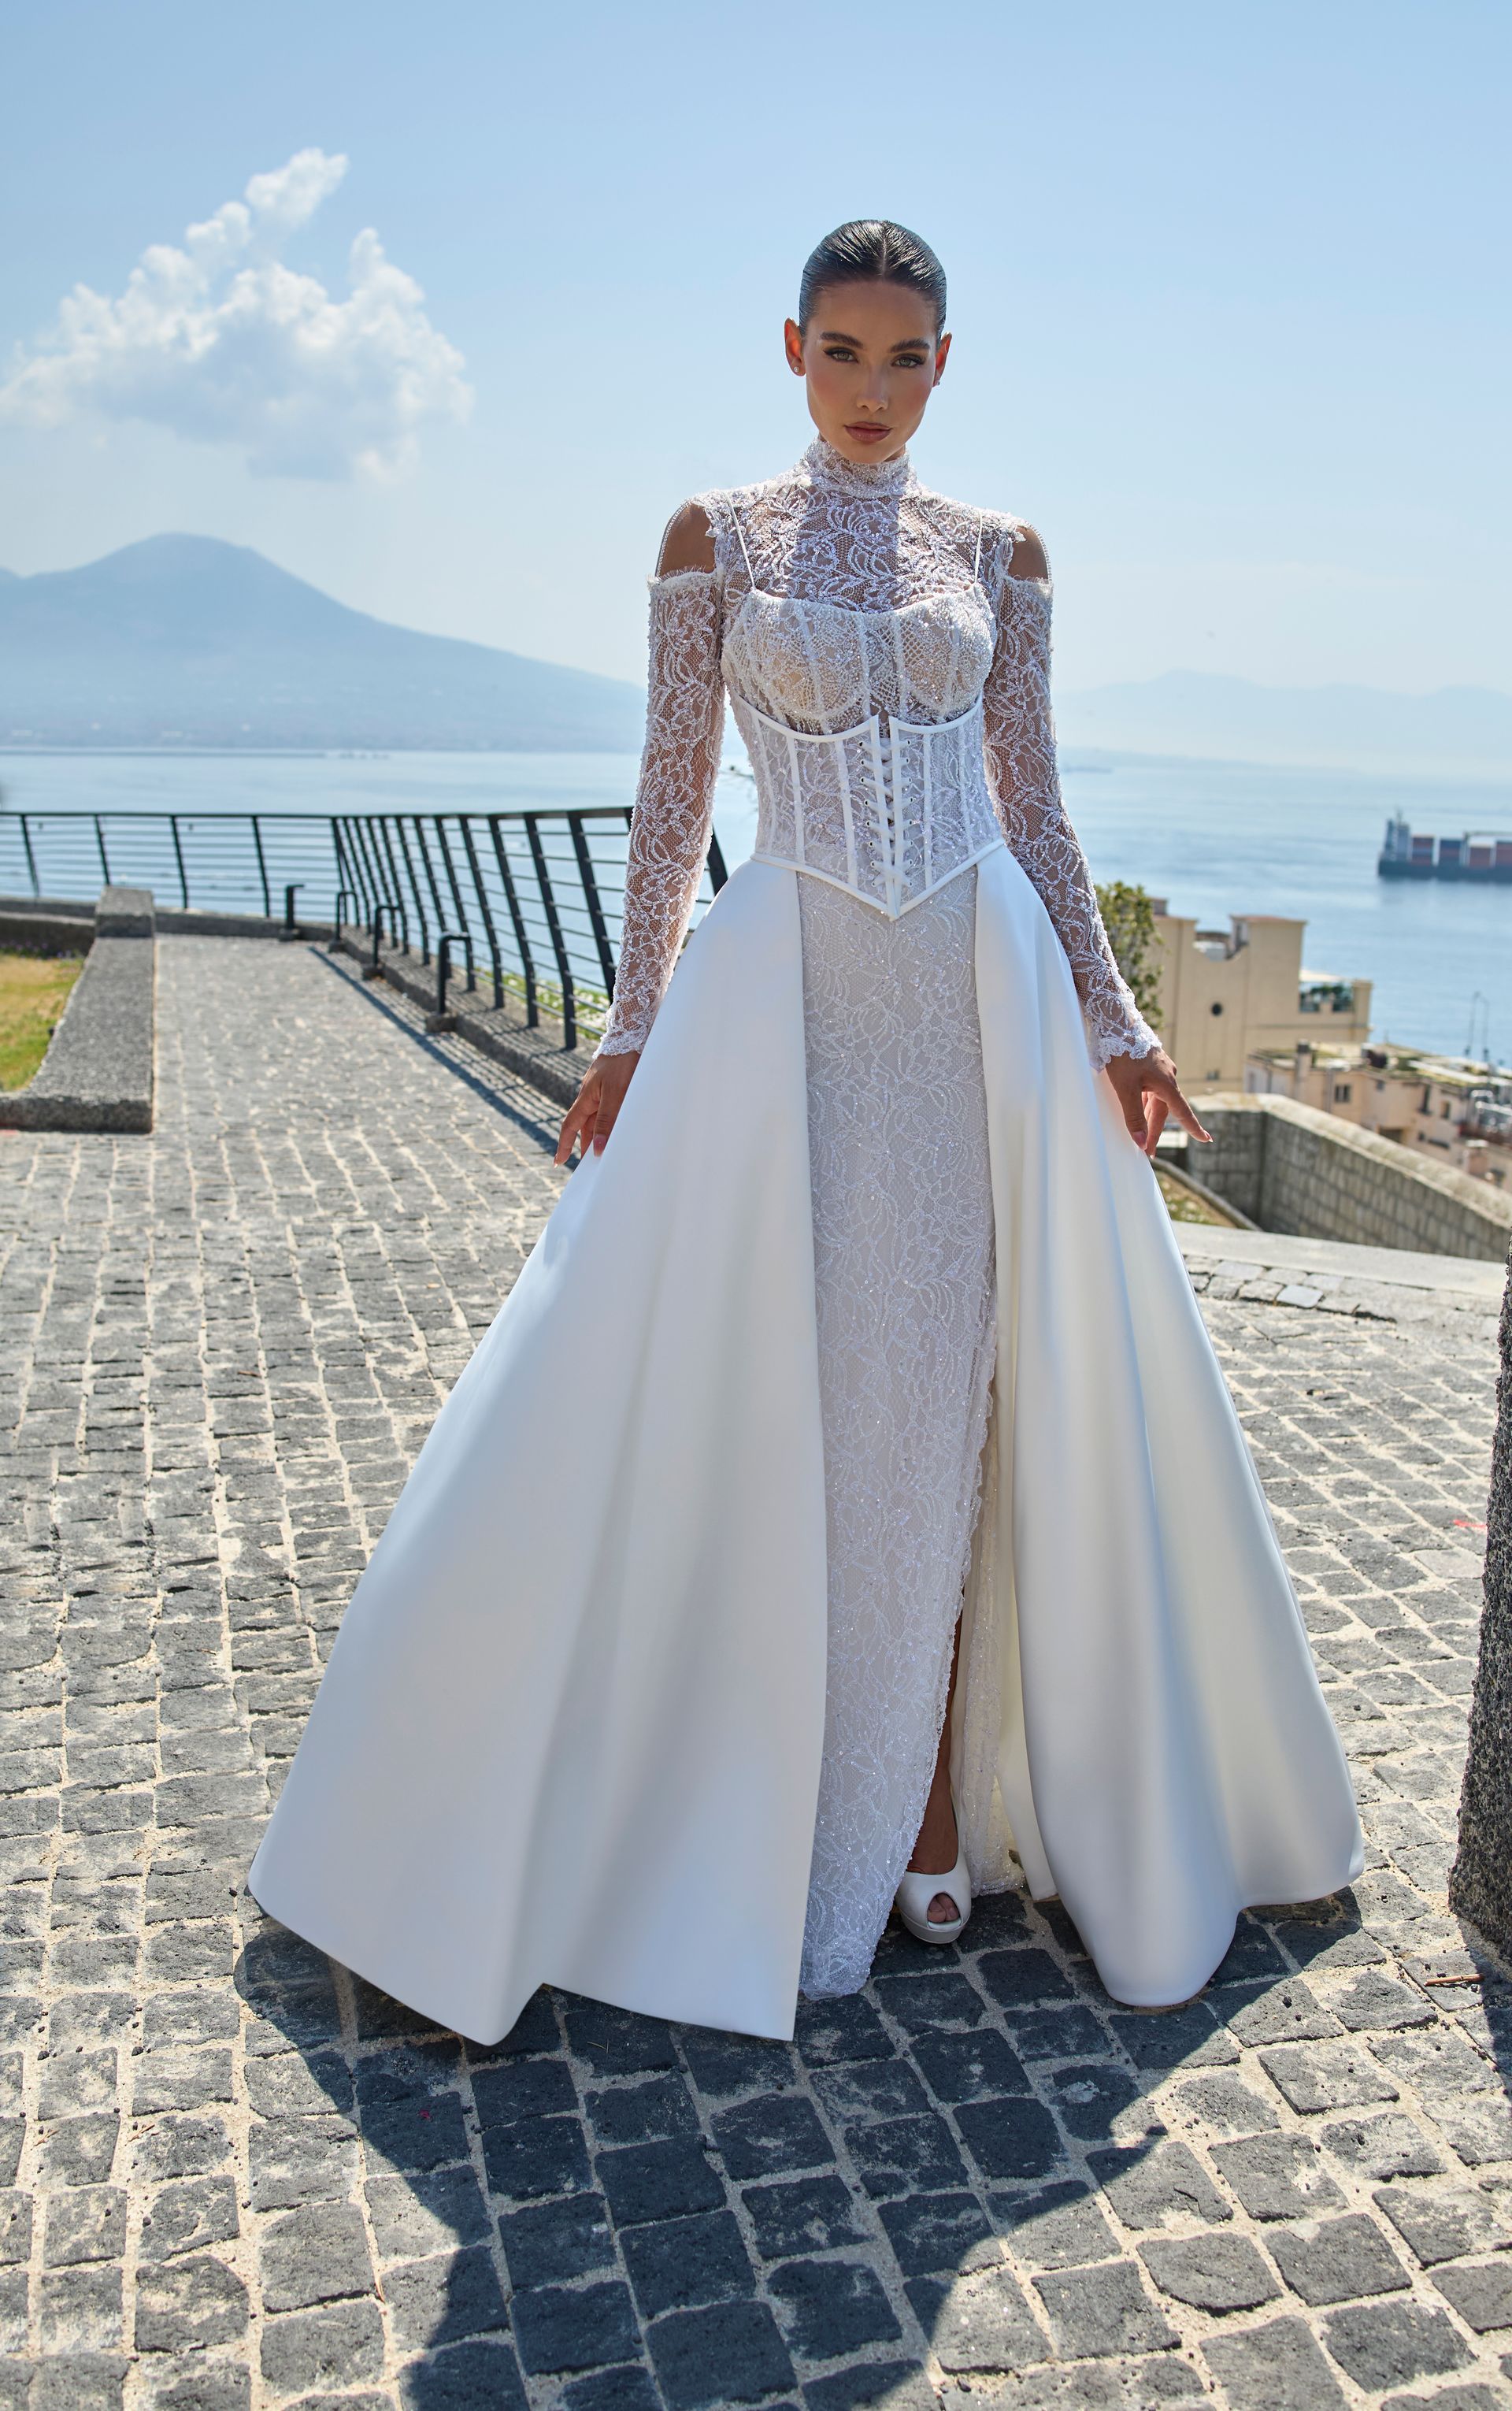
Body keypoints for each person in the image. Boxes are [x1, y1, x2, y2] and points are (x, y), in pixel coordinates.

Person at [249, 221, 1362, 2045]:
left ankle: (926, 1810)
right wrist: (629, 1028)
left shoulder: (999, 553)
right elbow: (670, 791)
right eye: (842, 350)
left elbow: (1040, 814)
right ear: (792, 348)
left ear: (945, 363)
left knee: (954, 1400)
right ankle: (733, 1804)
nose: (871, 388)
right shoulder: (718, 536)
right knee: (793, 1399)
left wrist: (1118, 1021)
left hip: (978, 1009)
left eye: (904, 356)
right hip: (786, 1016)